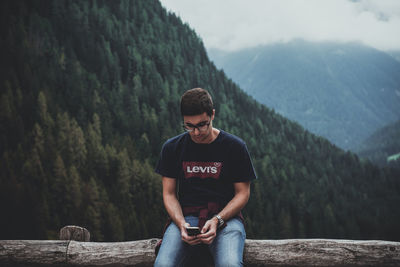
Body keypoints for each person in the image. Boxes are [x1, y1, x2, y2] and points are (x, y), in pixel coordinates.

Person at [154, 88, 257, 267]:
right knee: (163, 264)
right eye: (189, 126)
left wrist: (218, 220)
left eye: (202, 124)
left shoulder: (235, 147)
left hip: (227, 220)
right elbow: (169, 194)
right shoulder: (172, 148)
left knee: (230, 264)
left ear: (213, 115)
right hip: (186, 219)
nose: (196, 132)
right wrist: (180, 223)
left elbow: (242, 194)